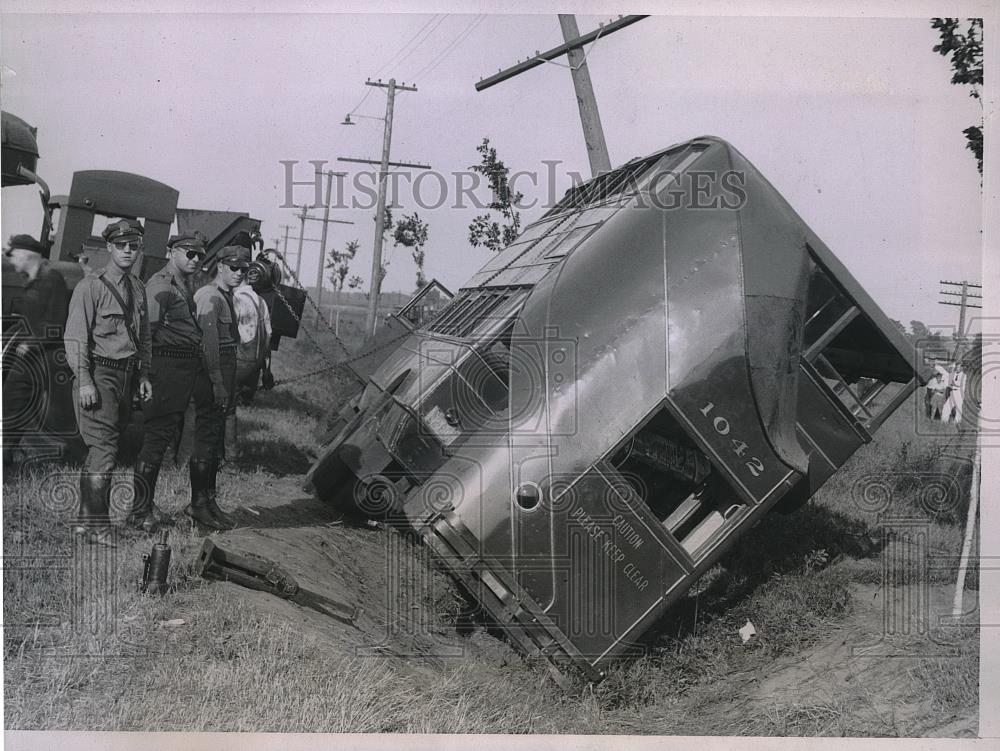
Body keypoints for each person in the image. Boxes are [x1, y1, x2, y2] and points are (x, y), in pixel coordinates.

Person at [63, 219, 152, 547]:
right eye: (122, 246)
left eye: (134, 246)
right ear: (109, 248)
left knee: (101, 451)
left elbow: (145, 337)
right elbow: (75, 339)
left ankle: (85, 524)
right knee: (105, 450)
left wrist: (143, 375)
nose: (128, 251)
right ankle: (100, 526)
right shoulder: (91, 287)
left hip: (126, 378)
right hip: (99, 375)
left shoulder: (138, 287)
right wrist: (84, 380)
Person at [127, 233, 207, 532]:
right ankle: (138, 512)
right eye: (189, 253)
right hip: (166, 367)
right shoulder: (161, 285)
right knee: (156, 440)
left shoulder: (181, 284)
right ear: (170, 251)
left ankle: (144, 505)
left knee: (160, 439)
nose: (195, 259)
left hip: (180, 369)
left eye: (200, 255)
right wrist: (144, 375)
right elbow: (145, 335)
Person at [187, 245, 249, 530]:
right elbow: (207, 346)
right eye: (234, 268)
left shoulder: (226, 296)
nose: (239, 273)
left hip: (224, 370)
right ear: (220, 267)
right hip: (212, 374)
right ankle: (198, 505)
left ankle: (209, 501)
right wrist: (217, 383)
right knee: (206, 438)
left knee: (213, 442)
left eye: (243, 270)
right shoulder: (208, 296)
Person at [2, 234, 71, 461]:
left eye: (12, 255)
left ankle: (76, 458)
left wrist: (31, 342)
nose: (10, 261)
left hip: (46, 357)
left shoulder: (53, 279)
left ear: (25, 254)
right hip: (29, 356)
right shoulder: (32, 280)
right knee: (12, 404)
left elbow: (57, 323)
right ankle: (5, 456)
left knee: (56, 414)